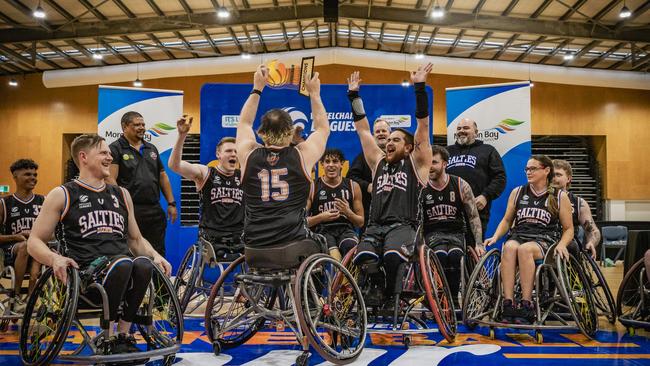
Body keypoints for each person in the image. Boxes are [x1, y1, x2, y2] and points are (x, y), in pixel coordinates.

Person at [27, 134, 172, 354]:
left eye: (109, 152)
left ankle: (123, 335)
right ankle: (108, 336)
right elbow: (34, 241)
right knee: (123, 263)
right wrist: (54, 257)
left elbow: (135, 239)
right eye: (103, 152)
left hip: (123, 271)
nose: (109, 156)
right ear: (83, 157)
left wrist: (156, 256)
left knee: (143, 263)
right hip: (86, 277)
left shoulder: (122, 194)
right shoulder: (63, 194)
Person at [348, 64, 433, 306]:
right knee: (362, 255)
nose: (389, 143)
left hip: (404, 227)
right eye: (389, 139)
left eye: (396, 139)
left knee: (393, 256)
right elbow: (363, 131)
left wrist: (419, 87)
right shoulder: (377, 162)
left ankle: (390, 291)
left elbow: (423, 126)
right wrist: (353, 96)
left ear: (408, 147)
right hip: (375, 227)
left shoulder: (417, 163)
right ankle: (378, 286)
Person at [236, 65, 329, 268]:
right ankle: (313, 300)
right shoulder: (302, 154)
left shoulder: (248, 153)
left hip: (254, 246)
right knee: (322, 242)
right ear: (291, 132)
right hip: (291, 243)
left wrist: (257, 88)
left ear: (261, 132)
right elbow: (322, 128)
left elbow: (243, 123)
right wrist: (314, 93)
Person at [484, 155, 573, 324]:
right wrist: (495, 236)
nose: (528, 172)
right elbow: (507, 220)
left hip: (545, 238)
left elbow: (569, 229)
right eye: (527, 169)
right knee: (509, 248)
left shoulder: (560, 196)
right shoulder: (517, 192)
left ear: (546, 171)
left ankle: (527, 304)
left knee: (525, 250)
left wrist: (562, 244)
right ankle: (508, 303)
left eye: (533, 169)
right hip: (520, 234)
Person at [168, 117, 244, 259]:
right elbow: (174, 165)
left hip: (238, 237)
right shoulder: (205, 173)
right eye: (228, 151)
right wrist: (181, 136)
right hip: (211, 238)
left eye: (235, 151)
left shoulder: (243, 175)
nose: (233, 154)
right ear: (218, 154)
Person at [422, 146, 484, 309]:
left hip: (455, 231)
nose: (430, 166)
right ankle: (440, 298)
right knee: (440, 255)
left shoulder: (460, 184)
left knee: (456, 255)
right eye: (428, 162)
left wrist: (478, 243)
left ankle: (454, 299)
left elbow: (473, 216)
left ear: (445, 164)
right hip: (433, 232)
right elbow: (417, 219)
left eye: (434, 162)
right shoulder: (421, 187)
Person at [107, 111, 177, 256]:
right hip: (130, 210)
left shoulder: (151, 148)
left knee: (157, 253)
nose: (142, 127)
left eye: (143, 124)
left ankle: (157, 279)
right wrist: (123, 205)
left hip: (154, 210)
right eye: (137, 124)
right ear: (124, 127)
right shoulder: (115, 148)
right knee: (132, 253)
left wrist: (171, 203)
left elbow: (162, 176)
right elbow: (110, 179)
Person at [446, 118, 506, 240]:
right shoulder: (446, 152)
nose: (461, 131)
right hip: (449, 210)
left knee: (474, 248)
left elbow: (500, 178)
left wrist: (486, 196)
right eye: (459, 128)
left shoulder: (488, 150)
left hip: (476, 210)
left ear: (476, 132)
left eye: (466, 128)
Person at [307, 149, 364, 260]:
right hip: (323, 230)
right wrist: (321, 217)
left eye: (335, 161)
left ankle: (349, 277)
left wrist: (348, 213)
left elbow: (360, 222)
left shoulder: (353, 186)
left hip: (346, 229)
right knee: (334, 256)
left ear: (342, 164)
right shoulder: (312, 187)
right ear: (322, 164)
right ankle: (333, 277)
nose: (331, 165)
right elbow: (303, 222)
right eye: (327, 161)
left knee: (351, 248)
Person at [0, 159, 44, 303]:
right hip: (12, 251)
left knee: (37, 243)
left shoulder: (43, 201)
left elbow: (51, 234)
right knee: (26, 245)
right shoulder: (4, 203)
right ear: (15, 177)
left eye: (35, 175)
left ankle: (32, 293)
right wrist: (16, 237)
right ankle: (16, 295)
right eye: (27, 174)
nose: (33, 178)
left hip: (38, 252)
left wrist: (36, 237)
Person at [552, 159, 601, 258]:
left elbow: (593, 231)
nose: (554, 178)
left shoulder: (579, 203)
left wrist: (591, 242)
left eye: (558, 175)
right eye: (551, 174)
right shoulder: (538, 198)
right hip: (544, 241)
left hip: (568, 247)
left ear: (569, 178)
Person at [348, 119, 391, 228]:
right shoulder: (364, 157)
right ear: (372, 136)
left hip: (395, 213)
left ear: (390, 134)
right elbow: (351, 177)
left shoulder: (400, 156)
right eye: (377, 132)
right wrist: (367, 186)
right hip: (370, 213)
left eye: (383, 131)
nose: (381, 134)